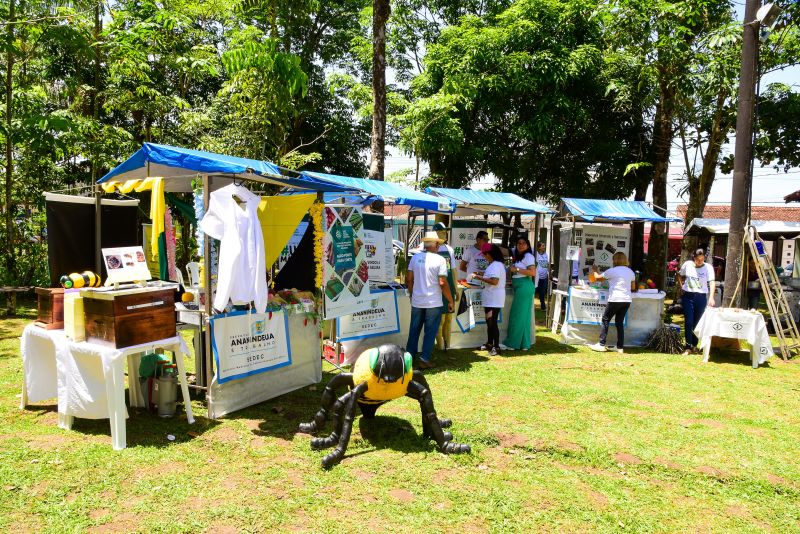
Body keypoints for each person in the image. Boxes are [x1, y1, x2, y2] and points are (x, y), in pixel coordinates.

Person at [406, 231, 455, 369]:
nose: (439, 246)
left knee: (414, 330)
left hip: (417, 300)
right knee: (430, 331)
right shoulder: (440, 260)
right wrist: (450, 300)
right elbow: (442, 282)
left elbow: (409, 279)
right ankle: (424, 358)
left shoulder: (415, 258)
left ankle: (409, 358)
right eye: (438, 243)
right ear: (435, 245)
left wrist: (412, 294)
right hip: (433, 302)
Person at [588, 252, 636, 354]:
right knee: (619, 323)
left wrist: (595, 270)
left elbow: (598, 278)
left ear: (615, 260)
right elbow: (633, 287)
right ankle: (620, 347)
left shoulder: (612, 271)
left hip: (615, 299)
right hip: (626, 300)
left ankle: (601, 344)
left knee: (605, 320)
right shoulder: (630, 272)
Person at [676, 248, 716, 355]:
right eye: (698, 259)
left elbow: (712, 282)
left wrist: (711, 297)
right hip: (688, 296)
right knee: (689, 321)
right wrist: (681, 287)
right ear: (694, 258)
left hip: (701, 297)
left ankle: (694, 345)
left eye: (702, 259)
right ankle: (687, 346)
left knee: (697, 322)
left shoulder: (708, 268)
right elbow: (679, 274)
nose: (700, 261)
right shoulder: (687, 265)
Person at [472, 243, 506, 356]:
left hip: (494, 299)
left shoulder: (496, 265)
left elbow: (494, 281)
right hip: (491, 298)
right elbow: (491, 277)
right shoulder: (494, 264)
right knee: (489, 322)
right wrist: (481, 274)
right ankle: (489, 343)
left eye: (485, 254)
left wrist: (479, 277)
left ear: (490, 254)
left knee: (492, 322)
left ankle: (496, 346)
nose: (484, 256)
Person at [504, 236, 536, 351]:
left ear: (527, 245)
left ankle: (512, 343)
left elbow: (532, 272)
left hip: (524, 286)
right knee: (524, 317)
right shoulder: (519, 256)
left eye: (523, 243)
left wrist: (516, 270)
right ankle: (524, 344)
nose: (520, 245)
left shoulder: (528, 256)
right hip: (521, 286)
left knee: (516, 315)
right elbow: (503, 250)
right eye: (518, 243)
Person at [432, 222, 457, 350]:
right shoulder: (430, 249)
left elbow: (453, 270)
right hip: (438, 286)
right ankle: (440, 347)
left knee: (449, 318)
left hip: (450, 285)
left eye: (445, 232)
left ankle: (448, 346)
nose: (444, 234)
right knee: (440, 320)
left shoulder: (449, 249)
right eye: (441, 232)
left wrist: (456, 288)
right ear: (435, 233)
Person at [534, 242, 549, 311]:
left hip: (544, 276)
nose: (544, 247)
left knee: (542, 292)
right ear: (539, 247)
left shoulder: (546, 254)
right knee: (534, 290)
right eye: (543, 246)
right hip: (537, 276)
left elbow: (547, 265)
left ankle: (543, 307)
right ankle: (530, 305)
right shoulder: (536, 254)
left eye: (544, 246)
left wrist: (549, 273)